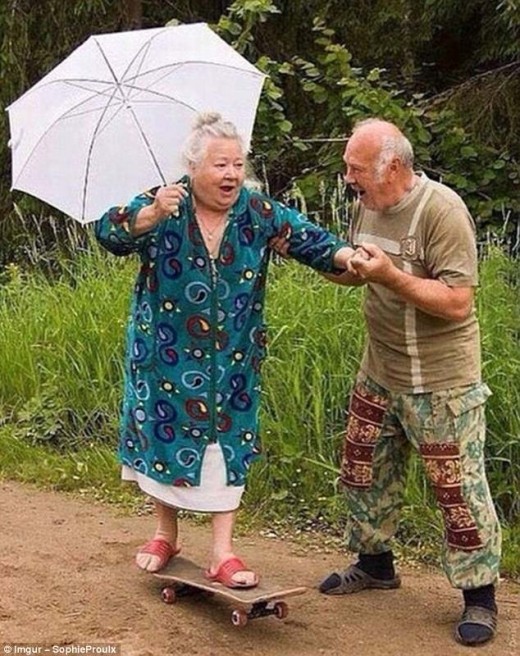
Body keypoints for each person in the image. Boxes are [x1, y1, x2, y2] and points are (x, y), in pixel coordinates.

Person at [94, 112, 355, 589]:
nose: (232, 174)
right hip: (164, 354)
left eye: (237, 164)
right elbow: (107, 233)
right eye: (220, 165)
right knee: (163, 437)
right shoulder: (162, 202)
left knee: (226, 444)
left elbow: (310, 240)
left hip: (233, 356)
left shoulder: (257, 211)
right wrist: (149, 215)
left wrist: (349, 257)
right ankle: (164, 533)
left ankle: (222, 552)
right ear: (194, 168)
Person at [318, 118, 501, 647]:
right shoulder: (366, 205)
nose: (348, 177)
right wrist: (314, 255)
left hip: (441, 383)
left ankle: (480, 598)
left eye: (355, 168)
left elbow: (458, 301)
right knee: (363, 469)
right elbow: (356, 270)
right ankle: (374, 564)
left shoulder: (441, 211)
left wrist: (391, 275)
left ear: (391, 166)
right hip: (380, 370)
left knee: (457, 491)